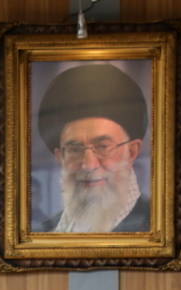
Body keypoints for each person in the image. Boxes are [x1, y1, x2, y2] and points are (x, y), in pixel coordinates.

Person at [33, 63, 149, 234]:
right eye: (75, 149)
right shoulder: (45, 233)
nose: (88, 165)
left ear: (132, 152)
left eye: (103, 147)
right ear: (60, 157)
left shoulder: (157, 227)